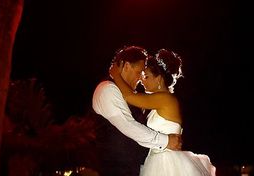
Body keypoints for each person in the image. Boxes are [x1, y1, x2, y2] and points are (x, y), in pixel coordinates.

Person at [109, 48, 216, 175]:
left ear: (159, 79)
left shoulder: (165, 99)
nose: (142, 81)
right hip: (156, 158)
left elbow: (129, 97)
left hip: (166, 162)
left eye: (146, 76)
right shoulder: (158, 101)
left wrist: (115, 74)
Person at [91, 45, 183, 176]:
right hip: (116, 169)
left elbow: (130, 97)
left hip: (150, 166)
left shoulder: (159, 99)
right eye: (139, 72)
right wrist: (166, 141)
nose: (140, 79)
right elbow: (127, 124)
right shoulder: (108, 89)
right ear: (127, 66)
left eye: (145, 75)